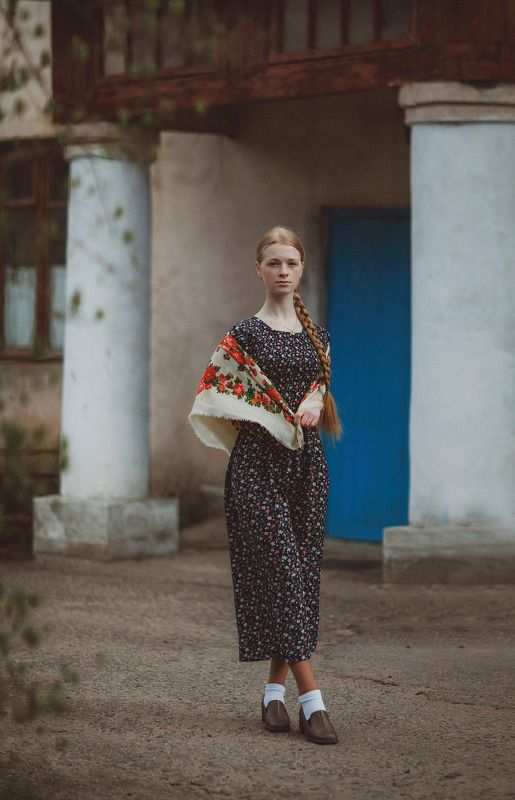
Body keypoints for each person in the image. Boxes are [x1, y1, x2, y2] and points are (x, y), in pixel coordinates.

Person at [189, 226, 343, 744]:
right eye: (273, 262)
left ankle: (272, 696)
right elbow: (215, 395)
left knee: (296, 582)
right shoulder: (242, 336)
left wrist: (315, 401)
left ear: (301, 269)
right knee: (280, 572)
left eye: (291, 263)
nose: (283, 271)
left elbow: (321, 388)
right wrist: (269, 414)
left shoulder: (318, 336)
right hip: (256, 469)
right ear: (258, 269)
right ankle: (313, 702)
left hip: (307, 470)